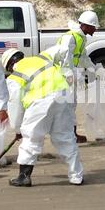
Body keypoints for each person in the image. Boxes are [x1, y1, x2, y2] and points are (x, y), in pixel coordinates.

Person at [2, 48, 84, 187]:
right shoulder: (41, 58)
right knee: (65, 137)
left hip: (40, 102)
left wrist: (17, 129)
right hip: (62, 97)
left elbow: (15, 103)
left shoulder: (15, 76)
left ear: (10, 66)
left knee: (32, 138)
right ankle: (76, 176)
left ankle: (24, 177)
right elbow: (61, 49)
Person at [42, 10, 100, 143]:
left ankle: (71, 134)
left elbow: (83, 57)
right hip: (61, 77)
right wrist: (71, 77)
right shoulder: (71, 37)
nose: (95, 29)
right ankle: (66, 134)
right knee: (65, 105)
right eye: (94, 26)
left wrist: (94, 69)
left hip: (70, 76)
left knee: (70, 104)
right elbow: (65, 60)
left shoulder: (80, 37)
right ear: (86, 25)